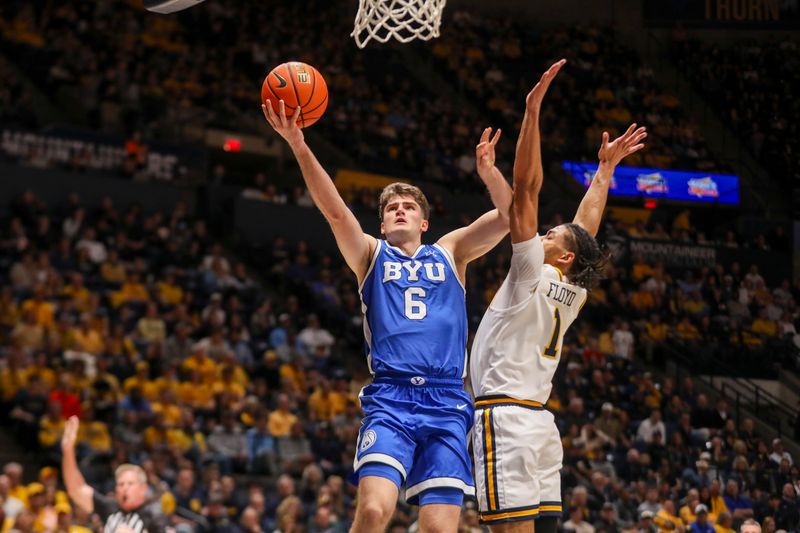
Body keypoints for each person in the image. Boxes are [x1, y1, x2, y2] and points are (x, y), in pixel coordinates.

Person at [262, 87, 512, 532]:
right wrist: (299, 144)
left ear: (425, 222)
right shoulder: (370, 255)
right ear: (381, 223)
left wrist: (491, 174)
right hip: (392, 397)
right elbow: (337, 213)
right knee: (375, 511)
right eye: (392, 208)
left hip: (449, 400)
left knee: (439, 528)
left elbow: (513, 218)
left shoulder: (451, 251)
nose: (400, 211)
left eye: (409, 206)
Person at [469, 59, 647, 531]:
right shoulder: (574, 288)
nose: (542, 234)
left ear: (561, 256)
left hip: (504, 417)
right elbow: (584, 228)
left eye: (549, 235)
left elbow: (526, 188)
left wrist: (532, 110)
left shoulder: (531, 271)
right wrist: (604, 170)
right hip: (540, 423)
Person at [61, 416, 170, 532]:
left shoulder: (154, 516)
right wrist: (68, 451)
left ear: (143, 489)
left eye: (130, 484)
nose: (125, 488)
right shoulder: (110, 507)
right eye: (121, 484)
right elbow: (76, 489)